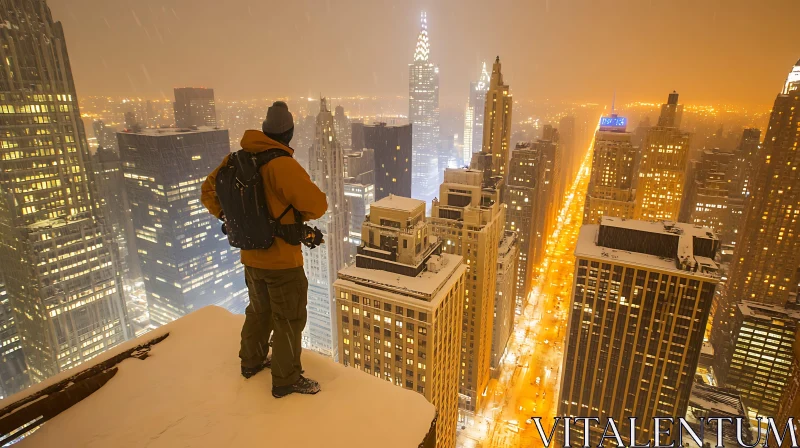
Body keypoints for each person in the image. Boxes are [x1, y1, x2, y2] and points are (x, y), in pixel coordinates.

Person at [201, 101, 327, 398]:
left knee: (259, 311)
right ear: (289, 132)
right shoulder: (281, 164)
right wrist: (290, 217)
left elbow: (208, 192)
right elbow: (317, 205)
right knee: (289, 318)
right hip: (282, 261)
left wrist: (231, 217)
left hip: (251, 258)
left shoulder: (234, 160)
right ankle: (286, 379)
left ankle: (251, 362)